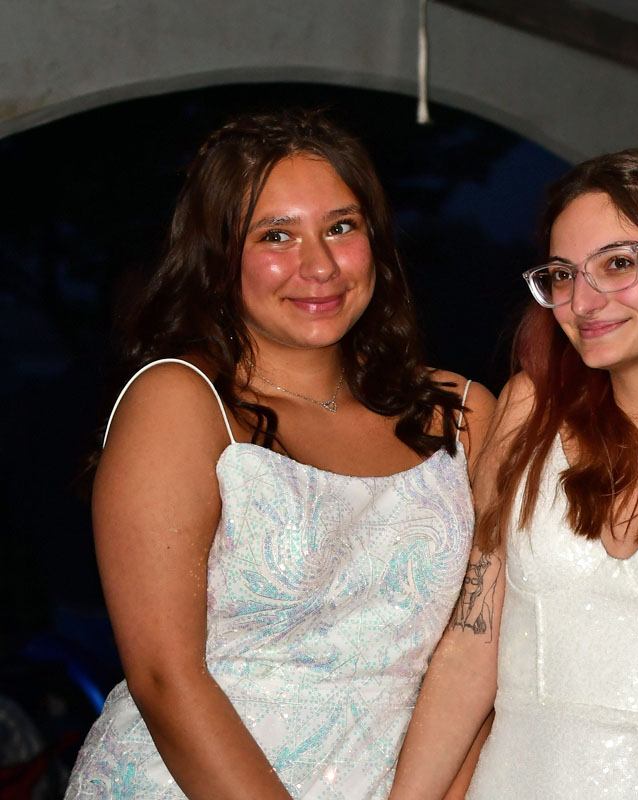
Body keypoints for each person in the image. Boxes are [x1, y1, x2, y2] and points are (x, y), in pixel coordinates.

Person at [66, 109, 494, 799]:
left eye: (341, 227)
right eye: (276, 235)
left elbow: (482, 655)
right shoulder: (180, 402)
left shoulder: (463, 414)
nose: (318, 265)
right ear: (218, 257)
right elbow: (164, 677)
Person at [390, 147, 638, 799]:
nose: (582, 301)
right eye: (562, 274)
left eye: (617, 264)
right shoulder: (530, 410)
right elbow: (468, 652)